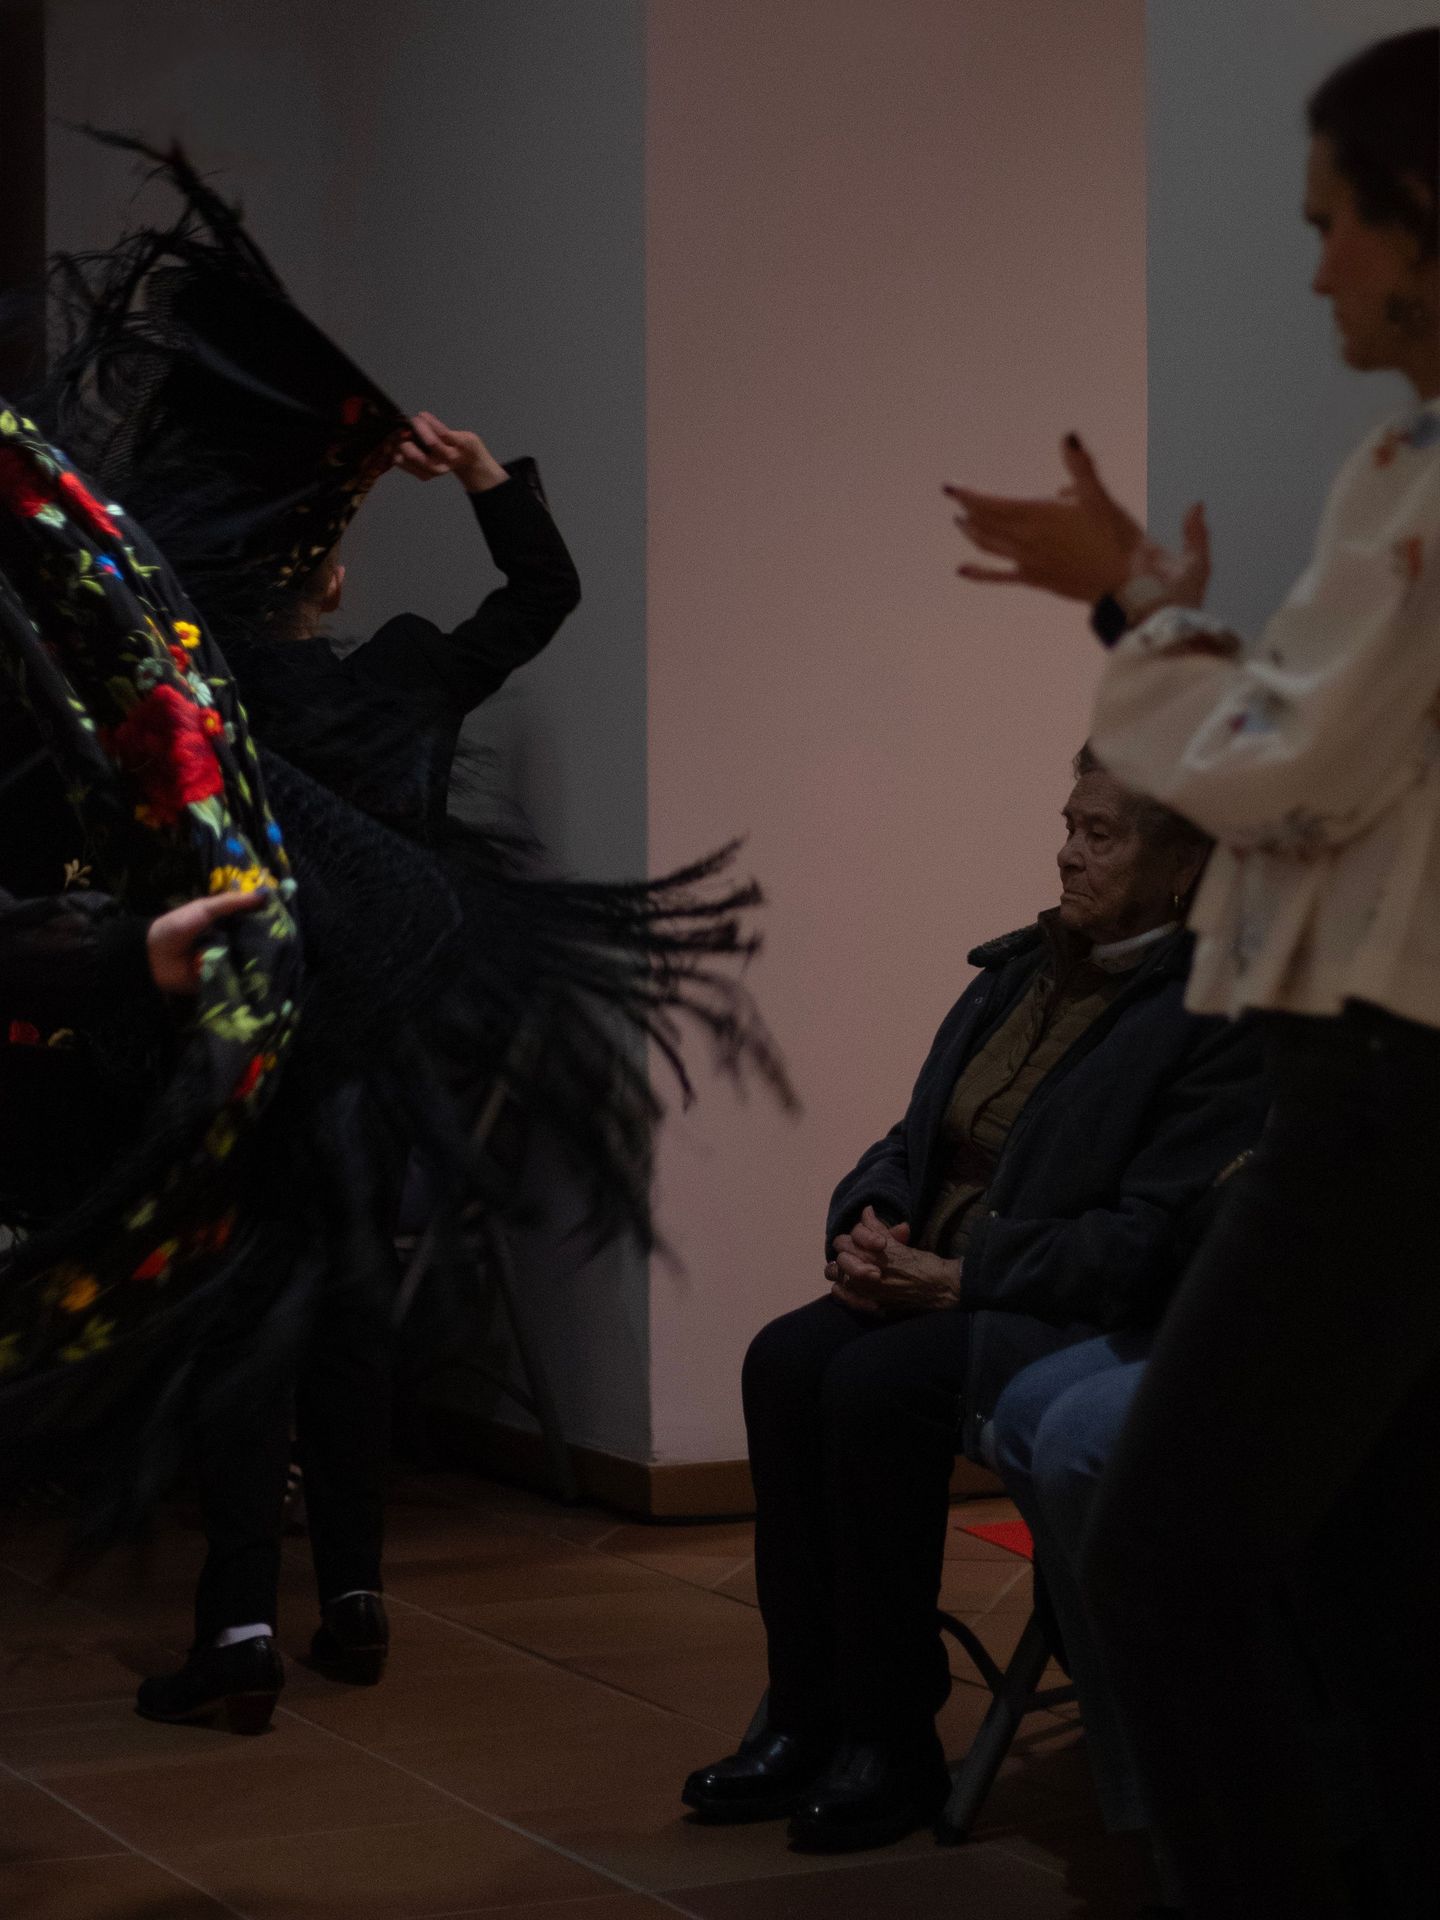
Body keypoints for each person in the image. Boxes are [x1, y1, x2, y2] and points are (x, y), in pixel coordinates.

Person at [949, 28, 1440, 1917]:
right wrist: (1173, 626)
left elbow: (1279, 772)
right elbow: (1310, 743)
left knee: (1167, 1554)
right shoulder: (1403, 463)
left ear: (1426, 217)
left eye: (1335, 224)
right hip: (1368, 1075)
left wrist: (1139, 613)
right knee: (1366, 1571)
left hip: (1393, 1093)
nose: (1316, 271)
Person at [681, 749, 1267, 1854]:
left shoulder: (1216, 1013)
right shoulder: (1016, 970)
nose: (1069, 852)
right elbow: (914, 1136)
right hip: (943, 1282)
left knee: (874, 1387)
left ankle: (889, 1738)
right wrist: (871, 1218)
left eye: (1103, 834)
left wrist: (967, 1275)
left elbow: (1148, 1243)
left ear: (1186, 863)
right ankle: (804, 1714)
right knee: (783, 1361)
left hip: (1057, 1310)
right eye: (1069, 824)